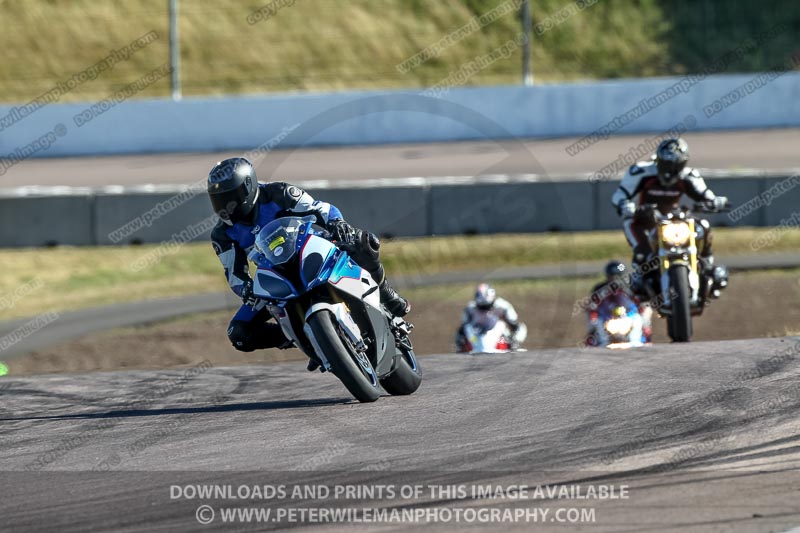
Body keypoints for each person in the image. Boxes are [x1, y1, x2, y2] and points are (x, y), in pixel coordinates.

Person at [207, 157, 410, 365]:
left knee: (363, 241)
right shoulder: (222, 235)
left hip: (312, 250)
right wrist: (246, 289)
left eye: (230, 200)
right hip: (277, 275)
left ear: (248, 188)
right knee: (239, 333)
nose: (225, 208)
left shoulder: (278, 193)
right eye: (219, 202)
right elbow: (234, 274)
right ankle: (306, 338)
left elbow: (321, 209)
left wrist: (336, 223)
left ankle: (386, 293)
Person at [611, 138, 728, 298]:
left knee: (703, 227)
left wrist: (715, 202)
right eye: (666, 164)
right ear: (658, 160)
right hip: (645, 220)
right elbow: (620, 195)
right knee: (640, 246)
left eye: (676, 165)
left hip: (674, 219)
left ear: (683, 164)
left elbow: (706, 195)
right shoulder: (641, 172)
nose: (670, 170)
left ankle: (708, 268)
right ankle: (639, 280)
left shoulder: (689, 176)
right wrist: (626, 205)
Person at [585, 260, 651, 346]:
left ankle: (640, 337)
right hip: (608, 315)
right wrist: (592, 308)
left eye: (618, 276)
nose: (615, 280)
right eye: (612, 276)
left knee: (639, 318)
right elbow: (592, 303)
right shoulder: (600, 288)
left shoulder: (632, 287)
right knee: (597, 321)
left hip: (628, 314)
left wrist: (641, 305)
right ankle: (599, 339)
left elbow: (642, 300)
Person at [455, 283, 526, 351]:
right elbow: (463, 329)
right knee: (467, 329)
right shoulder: (470, 309)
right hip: (475, 339)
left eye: (487, 307)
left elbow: (518, 326)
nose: (485, 312)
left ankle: (505, 348)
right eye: (482, 307)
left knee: (501, 325)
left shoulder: (503, 307)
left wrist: (515, 339)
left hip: (499, 339)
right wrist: (460, 341)